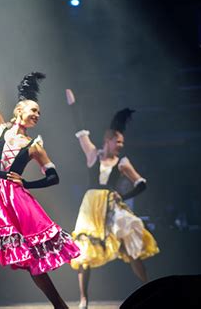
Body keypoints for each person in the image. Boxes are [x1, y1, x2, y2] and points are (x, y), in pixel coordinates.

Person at [0, 42, 80, 308]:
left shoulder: (34, 145)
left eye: (39, 113)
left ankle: (59, 304)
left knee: (29, 256)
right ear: (19, 111)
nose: (37, 115)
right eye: (34, 110)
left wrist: (26, 182)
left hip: (14, 199)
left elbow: (53, 177)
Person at [66, 89, 159, 309]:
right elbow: (80, 131)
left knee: (131, 243)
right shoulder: (92, 154)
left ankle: (149, 288)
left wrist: (122, 196)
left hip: (110, 205)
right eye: (118, 141)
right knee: (84, 249)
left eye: (122, 142)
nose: (120, 145)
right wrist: (73, 105)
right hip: (90, 206)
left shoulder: (122, 162)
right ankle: (83, 299)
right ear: (108, 140)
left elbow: (141, 183)